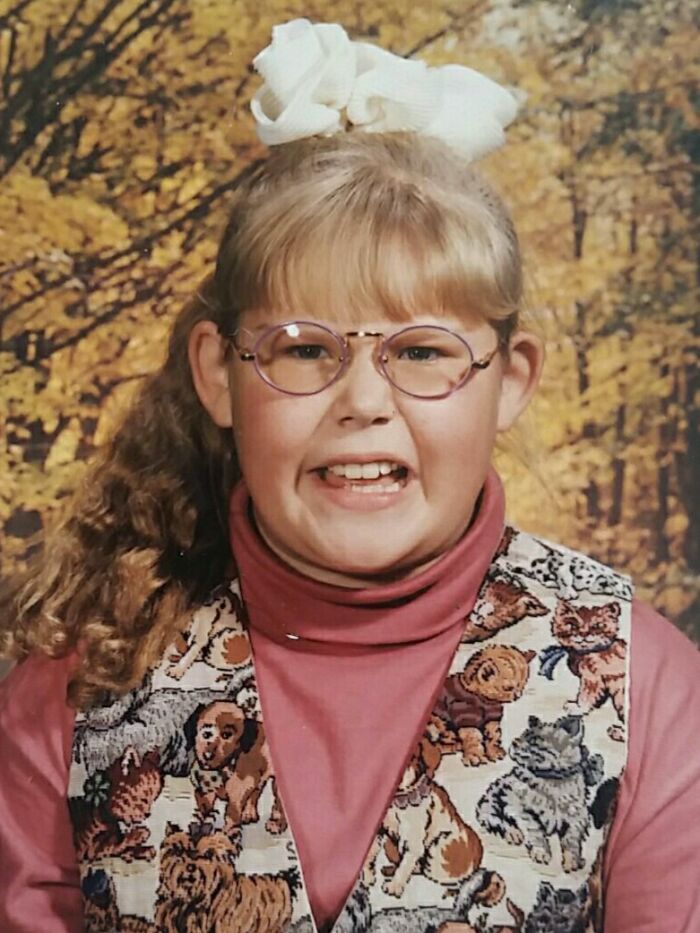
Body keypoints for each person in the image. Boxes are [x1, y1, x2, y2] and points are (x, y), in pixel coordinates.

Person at [1, 18, 699, 933]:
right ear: (219, 373)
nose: (363, 400)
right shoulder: (83, 682)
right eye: (302, 351)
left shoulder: (643, 690)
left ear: (510, 380)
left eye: (421, 350)